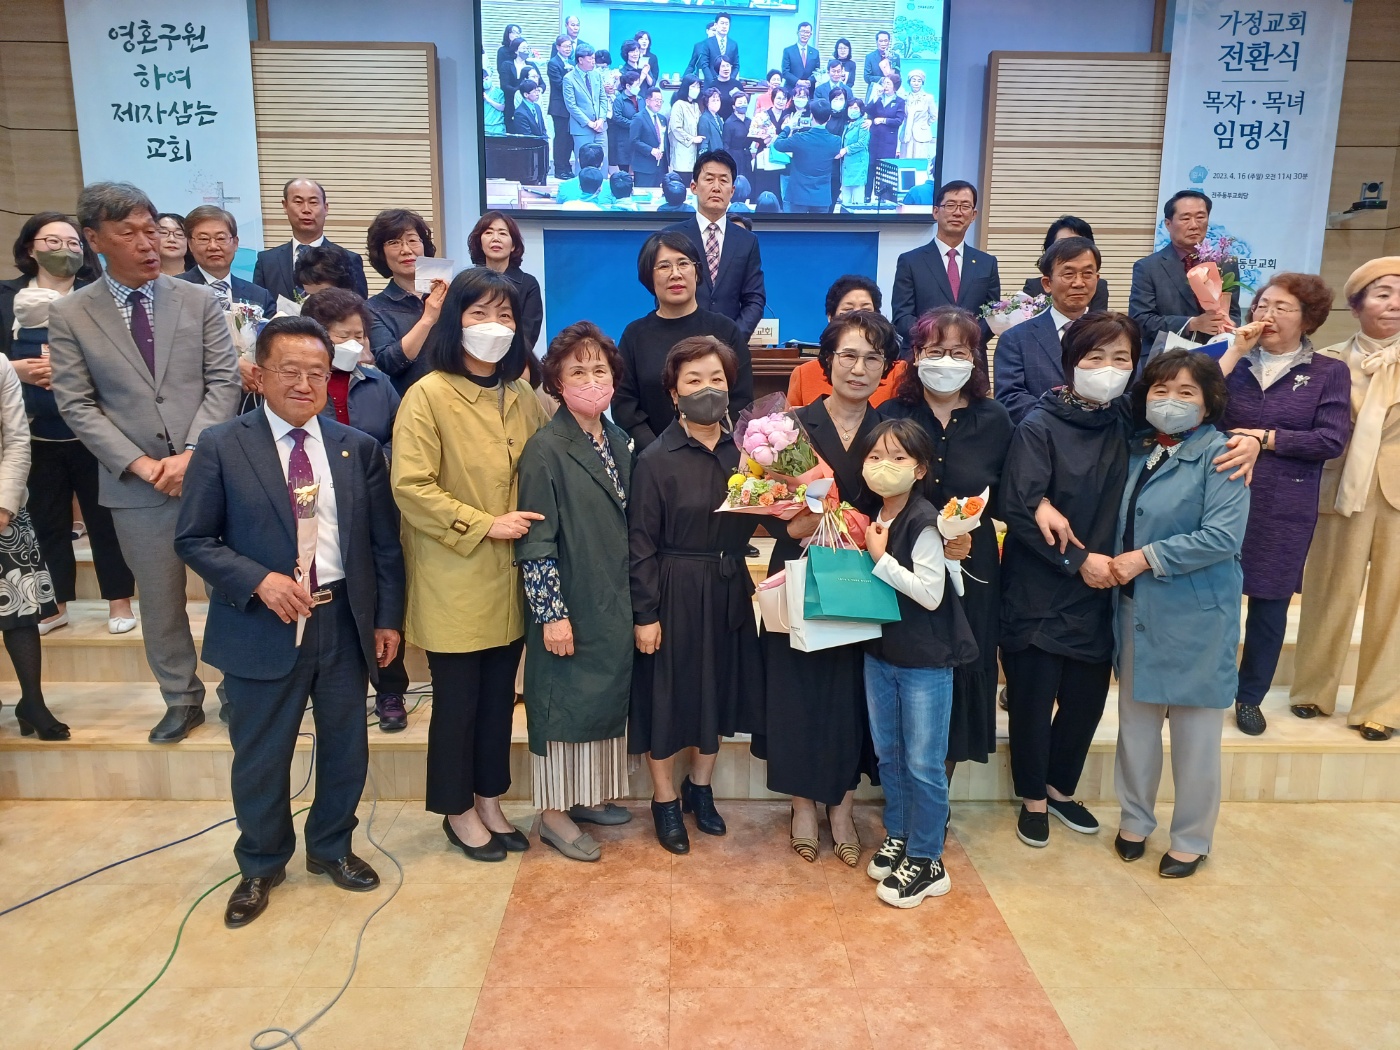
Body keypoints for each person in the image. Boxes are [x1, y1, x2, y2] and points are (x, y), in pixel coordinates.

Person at [174, 315, 403, 927]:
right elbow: (194, 539)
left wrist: (387, 619)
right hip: (261, 622)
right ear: (259, 375)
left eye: (317, 373)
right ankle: (260, 861)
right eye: (290, 371)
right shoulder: (223, 444)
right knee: (261, 754)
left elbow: (384, 545)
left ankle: (332, 846)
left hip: (341, 620)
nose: (304, 384)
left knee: (346, 747)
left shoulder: (357, 448)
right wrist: (259, 580)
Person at [49, 181, 241, 743]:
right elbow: (76, 404)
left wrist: (191, 454)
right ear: (94, 240)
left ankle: (239, 691)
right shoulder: (72, 314)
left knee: (232, 590)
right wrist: (139, 463)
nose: (147, 243)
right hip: (135, 486)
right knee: (160, 602)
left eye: (151, 230)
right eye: (128, 232)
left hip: (210, 474)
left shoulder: (199, 300)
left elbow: (224, 381)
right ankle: (181, 698)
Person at [392, 267, 549, 862]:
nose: (494, 326)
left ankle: (489, 799)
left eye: (505, 316)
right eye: (479, 313)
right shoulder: (428, 394)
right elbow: (411, 487)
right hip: (455, 577)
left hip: (511, 579)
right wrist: (484, 524)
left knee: (497, 702)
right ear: (454, 320)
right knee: (458, 704)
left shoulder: (522, 396)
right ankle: (456, 809)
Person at [753, 311, 890, 867]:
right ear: (827, 361)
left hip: (861, 574)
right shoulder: (790, 427)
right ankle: (803, 806)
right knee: (799, 689)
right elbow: (765, 502)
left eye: (872, 358)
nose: (859, 368)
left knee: (852, 694)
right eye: (849, 355)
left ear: (885, 367)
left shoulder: (890, 430)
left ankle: (843, 806)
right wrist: (794, 520)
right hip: (802, 565)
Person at [999, 313, 1139, 848]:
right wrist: (1078, 560)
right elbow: (1019, 505)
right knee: (1033, 701)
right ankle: (1033, 798)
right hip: (1042, 582)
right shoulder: (1039, 424)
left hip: (1102, 585)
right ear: (1070, 363)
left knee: (1085, 700)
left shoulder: (1127, 419)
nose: (1108, 368)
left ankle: (1060, 789)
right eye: (1095, 357)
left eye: (1121, 358)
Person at [1109, 349, 1249, 878]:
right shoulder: (1137, 449)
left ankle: (1191, 837)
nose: (1171, 401)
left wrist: (1146, 557)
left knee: (1195, 737)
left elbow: (1222, 537)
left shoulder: (1223, 454)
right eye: (1161, 390)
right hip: (1137, 609)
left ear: (1209, 402)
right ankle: (1135, 819)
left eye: (1186, 392)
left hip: (1196, 614)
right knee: (1136, 728)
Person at [629, 335, 758, 853]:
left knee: (718, 690)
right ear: (674, 392)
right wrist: (645, 613)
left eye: (717, 379)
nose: (707, 389)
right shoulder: (655, 458)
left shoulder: (749, 454)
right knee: (666, 696)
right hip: (674, 588)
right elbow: (640, 543)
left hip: (727, 584)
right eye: (694, 380)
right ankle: (664, 799)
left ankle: (699, 789)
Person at [515, 322, 636, 862]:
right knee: (562, 706)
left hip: (611, 596)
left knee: (599, 704)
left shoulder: (619, 440)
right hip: (570, 597)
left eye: (599, 370)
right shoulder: (545, 448)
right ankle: (553, 816)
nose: (591, 380)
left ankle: (584, 797)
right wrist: (551, 614)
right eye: (578, 371)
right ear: (557, 383)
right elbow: (536, 540)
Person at [881, 307, 1015, 788]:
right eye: (935, 351)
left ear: (975, 358)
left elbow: (1006, 495)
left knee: (962, 668)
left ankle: (936, 795)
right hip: (904, 561)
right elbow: (876, 486)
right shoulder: (893, 414)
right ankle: (901, 791)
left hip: (970, 563)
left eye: (959, 352)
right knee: (906, 668)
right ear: (916, 355)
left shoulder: (995, 419)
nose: (946, 361)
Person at [1214, 275, 1351, 736]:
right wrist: (1233, 351)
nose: (1267, 315)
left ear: (1308, 319)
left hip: (1285, 501)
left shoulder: (1329, 372)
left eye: (1282, 308)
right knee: (1211, 599)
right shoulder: (1230, 357)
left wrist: (1266, 438)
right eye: (1262, 305)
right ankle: (1202, 686)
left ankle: (1249, 696)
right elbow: (1195, 409)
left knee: (1269, 605)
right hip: (1222, 492)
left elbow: (1330, 439)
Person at [2, 214, 136, 642]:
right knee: (47, 520)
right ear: (30, 247)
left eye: (73, 242)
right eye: (52, 241)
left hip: (93, 429)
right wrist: (16, 369)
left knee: (105, 519)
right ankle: (55, 603)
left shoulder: (98, 294)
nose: (64, 249)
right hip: (32, 430)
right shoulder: (6, 296)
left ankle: (119, 600)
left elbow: (121, 355)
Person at [860, 417, 977, 907]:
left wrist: (880, 558)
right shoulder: (876, 514)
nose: (883, 466)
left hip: (925, 660)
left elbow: (931, 594)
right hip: (882, 654)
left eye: (897, 457)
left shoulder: (926, 521)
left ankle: (929, 859)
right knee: (889, 753)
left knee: (924, 762)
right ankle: (900, 833)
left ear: (921, 468)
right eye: (874, 457)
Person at [1289, 259, 1400, 739]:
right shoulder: (1329, 361)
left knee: (1393, 603)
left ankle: (1381, 706)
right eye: (1382, 293)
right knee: (1329, 588)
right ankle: (1312, 689)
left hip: (1396, 492)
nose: (1394, 304)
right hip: (1339, 487)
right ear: (1356, 306)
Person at [295, 292, 408, 732]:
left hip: (374, 499)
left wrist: (377, 462)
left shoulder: (378, 383)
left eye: (360, 335)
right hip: (314, 505)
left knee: (383, 589)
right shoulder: (301, 389)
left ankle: (390, 687)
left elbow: (401, 436)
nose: (355, 344)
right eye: (343, 336)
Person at [613, 231, 750, 450]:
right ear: (649, 276)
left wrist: (716, 447)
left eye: (683, 263)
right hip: (655, 457)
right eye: (664, 266)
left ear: (697, 272)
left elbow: (741, 400)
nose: (675, 274)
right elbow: (624, 406)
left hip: (719, 453)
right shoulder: (635, 335)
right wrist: (658, 453)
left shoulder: (725, 330)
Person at [0, 350, 64, 738]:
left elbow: (16, 438)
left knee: (20, 610)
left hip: (3, 508)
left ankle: (32, 702)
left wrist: (5, 504)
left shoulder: (0, 365)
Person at [995, 236, 1104, 424]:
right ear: (1047, 283)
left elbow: (1129, 392)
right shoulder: (1016, 339)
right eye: (1068, 274)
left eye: (1087, 274)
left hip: (1104, 435)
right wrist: (1064, 421)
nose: (1079, 283)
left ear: (1097, 278)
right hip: (1043, 437)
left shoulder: (1114, 335)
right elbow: (1010, 398)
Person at [664, 149, 767, 344]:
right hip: (681, 347)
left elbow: (754, 299)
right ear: (694, 186)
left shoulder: (747, 241)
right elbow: (664, 293)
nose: (716, 187)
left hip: (730, 349)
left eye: (723, 180)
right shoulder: (673, 237)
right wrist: (688, 344)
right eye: (709, 179)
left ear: (732, 191)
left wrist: (732, 340)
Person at [892, 181, 1001, 348]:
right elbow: (902, 316)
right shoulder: (910, 261)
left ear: (973, 215)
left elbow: (992, 314)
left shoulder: (987, 263)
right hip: (923, 353)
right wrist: (937, 340)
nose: (957, 212)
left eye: (965, 206)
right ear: (936, 212)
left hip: (971, 354)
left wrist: (965, 342)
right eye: (950, 205)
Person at [1129, 189, 1242, 348]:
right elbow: (1140, 320)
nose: (1194, 225)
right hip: (1167, 355)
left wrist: (1227, 325)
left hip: (1217, 353)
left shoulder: (1225, 263)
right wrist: (1191, 324)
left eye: (1200, 217)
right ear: (1168, 224)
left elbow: (1234, 313)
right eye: (1185, 218)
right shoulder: (1148, 268)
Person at [788, 276, 905, 407]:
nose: (857, 318)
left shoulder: (898, 372)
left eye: (866, 311)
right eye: (847, 312)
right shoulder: (804, 374)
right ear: (831, 318)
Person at [365, 208, 445, 394]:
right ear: (381, 253)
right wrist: (428, 318)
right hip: (406, 402)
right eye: (394, 242)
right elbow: (388, 363)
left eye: (413, 240)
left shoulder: (449, 296)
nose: (406, 250)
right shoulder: (373, 308)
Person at [253, 179, 369, 302]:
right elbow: (258, 306)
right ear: (285, 206)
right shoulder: (266, 262)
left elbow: (359, 308)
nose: (306, 209)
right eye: (298, 202)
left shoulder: (349, 259)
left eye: (313, 202)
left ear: (326, 208)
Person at [176, 205, 276, 317]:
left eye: (221, 238)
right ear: (190, 244)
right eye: (204, 239)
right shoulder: (173, 290)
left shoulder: (260, 296)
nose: (213, 246)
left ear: (235, 243)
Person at [468, 211, 543, 358]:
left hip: (512, 360)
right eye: (489, 233)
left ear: (513, 245)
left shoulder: (528, 284)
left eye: (502, 233)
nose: (495, 238)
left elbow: (528, 335)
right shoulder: (467, 282)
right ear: (480, 242)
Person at [1021, 216, 1110, 312]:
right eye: (1063, 244)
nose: (1078, 283)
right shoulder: (1034, 286)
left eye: (1078, 243)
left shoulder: (1098, 285)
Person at [773, 99, 842, 214]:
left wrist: (788, 128)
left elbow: (778, 144)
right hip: (822, 197)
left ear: (811, 116)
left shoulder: (799, 138)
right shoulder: (836, 141)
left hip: (798, 195)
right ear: (829, 118)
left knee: (798, 225)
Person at [564, 45, 607, 169]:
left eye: (594, 58)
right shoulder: (569, 78)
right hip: (582, 128)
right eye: (590, 59)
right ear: (580, 60)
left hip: (600, 127)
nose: (593, 62)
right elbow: (571, 105)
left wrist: (601, 119)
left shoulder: (596, 75)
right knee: (583, 164)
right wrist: (589, 123)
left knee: (603, 161)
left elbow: (603, 98)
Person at [748, 86, 791, 207]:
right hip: (764, 154)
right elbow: (752, 133)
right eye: (778, 98)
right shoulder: (762, 115)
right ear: (773, 99)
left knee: (778, 189)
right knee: (762, 187)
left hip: (781, 157)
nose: (781, 101)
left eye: (784, 98)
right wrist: (764, 137)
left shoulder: (789, 116)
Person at [864, 74, 904, 202]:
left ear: (895, 86)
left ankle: (882, 197)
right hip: (874, 138)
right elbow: (867, 110)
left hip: (888, 140)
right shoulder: (879, 98)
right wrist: (875, 97)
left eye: (888, 83)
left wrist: (883, 120)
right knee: (871, 166)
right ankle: (867, 195)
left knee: (884, 168)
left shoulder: (900, 101)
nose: (885, 86)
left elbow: (898, 121)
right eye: (884, 83)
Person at [547, 35, 577, 180]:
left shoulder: (571, 62)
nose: (568, 49)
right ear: (558, 47)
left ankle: (567, 167)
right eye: (565, 46)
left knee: (569, 139)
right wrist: (569, 74)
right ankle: (559, 169)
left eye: (570, 46)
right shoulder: (553, 63)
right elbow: (559, 84)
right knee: (561, 139)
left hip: (571, 107)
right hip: (559, 107)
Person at [628, 86, 668, 189]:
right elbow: (634, 141)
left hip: (661, 166)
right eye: (656, 100)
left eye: (661, 101)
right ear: (647, 101)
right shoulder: (638, 118)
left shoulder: (662, 119)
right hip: (644, 167)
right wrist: (651, 150)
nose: (659, 103)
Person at [837, 98, 870, 210]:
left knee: (857, 200)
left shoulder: (863, 124)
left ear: (861, 110)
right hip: (847, 165)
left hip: (858, 165)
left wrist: (846, 150)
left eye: (856, 108)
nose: (852, 110)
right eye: (850, 108)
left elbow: (862, 143)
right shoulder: (848, 124)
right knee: (845, 200)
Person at [668, 78, 704, 179]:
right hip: (681, 155)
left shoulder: (696, 106)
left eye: (698, 87)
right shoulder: (678, 105)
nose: (696, 89)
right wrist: (692, 139)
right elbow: (676, 128)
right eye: (693, 86)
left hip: (694, 155)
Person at [609, 69, 641, 172]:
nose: (638, 87)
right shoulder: (619, 100)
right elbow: (617, 117)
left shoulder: (640, 99)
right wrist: (634, 124)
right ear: (628, 86)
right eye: (636, 85)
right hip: (624, 139)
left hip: (639, 138)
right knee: (624, 167)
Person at [900, 70, 935, 159]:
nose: (916, 83)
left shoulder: (928, 98)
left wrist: (925, 124)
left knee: (919, 160)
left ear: (922, 83)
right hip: (907, 134)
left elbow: (934, 115)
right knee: (905, 159)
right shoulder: (904, 97)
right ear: (909, 82)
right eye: (914, 80)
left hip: (921, 134)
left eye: (919, 81)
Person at [496, 24, 525, 130]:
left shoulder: (523, 51)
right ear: (507, 34)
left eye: (518, 32)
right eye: (513, 32)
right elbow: (501, 70)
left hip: (523, 89)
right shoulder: (502, 51)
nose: (516, 35)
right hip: (509, 88)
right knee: (510, 117)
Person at [722, 95, 752, 186]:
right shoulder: (729, 123)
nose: (743, 105)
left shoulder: (750, 121)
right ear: (734, 106)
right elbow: (726, 145)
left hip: (747, 156)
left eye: (745, 102)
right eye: (740, 102)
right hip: (734, 157)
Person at [863, 31, 901, 103]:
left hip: (891, 92)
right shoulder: (870, 57)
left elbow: (898, 76)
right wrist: (882, 79)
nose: (883, 43)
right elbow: (867, 77)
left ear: (889, 42)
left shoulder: (895, 57)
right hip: (875, 91)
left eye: (885, 41)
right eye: (881, 41)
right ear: (876, 42)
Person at [782, 21, 820, 91]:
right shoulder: (788, 51)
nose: (804, 34)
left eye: (807, 32)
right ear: (797, 33)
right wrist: (798, 81)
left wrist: (809, 81)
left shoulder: (815, 52)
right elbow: (785, 72)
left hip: (809, 90)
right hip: (791, 89)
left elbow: (817, 72)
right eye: (802, 31)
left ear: (810, 34)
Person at [704, 14, 739, 79]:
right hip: (711, 82)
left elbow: (736, 65)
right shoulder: (707, 43)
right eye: (722, 23)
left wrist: (730, 80)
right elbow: (705, 65)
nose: (724, 26)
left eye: (726, 24)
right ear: (716, 25)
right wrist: (712, 81)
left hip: (728, 82)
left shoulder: (733, 44)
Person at [698, 89, 726, 155]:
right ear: (707, 102)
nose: (716, 103)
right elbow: (704, 142)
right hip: (711, 156)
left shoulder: (718, 117)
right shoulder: (704, 119)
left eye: (718, 100)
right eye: (713, 100)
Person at [482, 68, 507, 137]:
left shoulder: (498, 92)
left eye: (486, 79)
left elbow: (502, 107)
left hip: (497, 127)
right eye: (483, 80)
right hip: (485, 127)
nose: (485, 81)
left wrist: (488, 99)